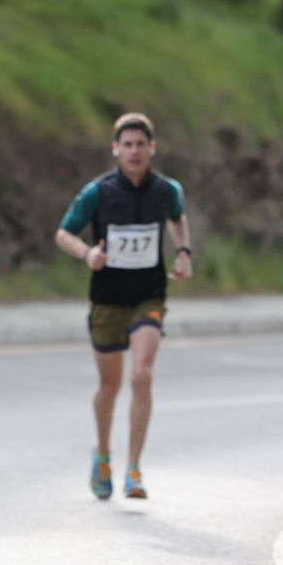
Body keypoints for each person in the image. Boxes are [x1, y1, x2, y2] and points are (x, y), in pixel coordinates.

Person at [54, 112, 192, 500]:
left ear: (152, 148)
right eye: (126, 145)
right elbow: (63, 233)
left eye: (140, 144)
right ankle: (102, 456)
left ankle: (134, 469)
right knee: (110, 385)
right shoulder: (98, 192)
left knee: (142, 375)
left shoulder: (167, 191)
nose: (134, 151)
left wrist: (183, 251)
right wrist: (87, 254)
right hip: (107, 298)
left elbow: (178, 220)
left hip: (149, 295)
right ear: (116, 149)